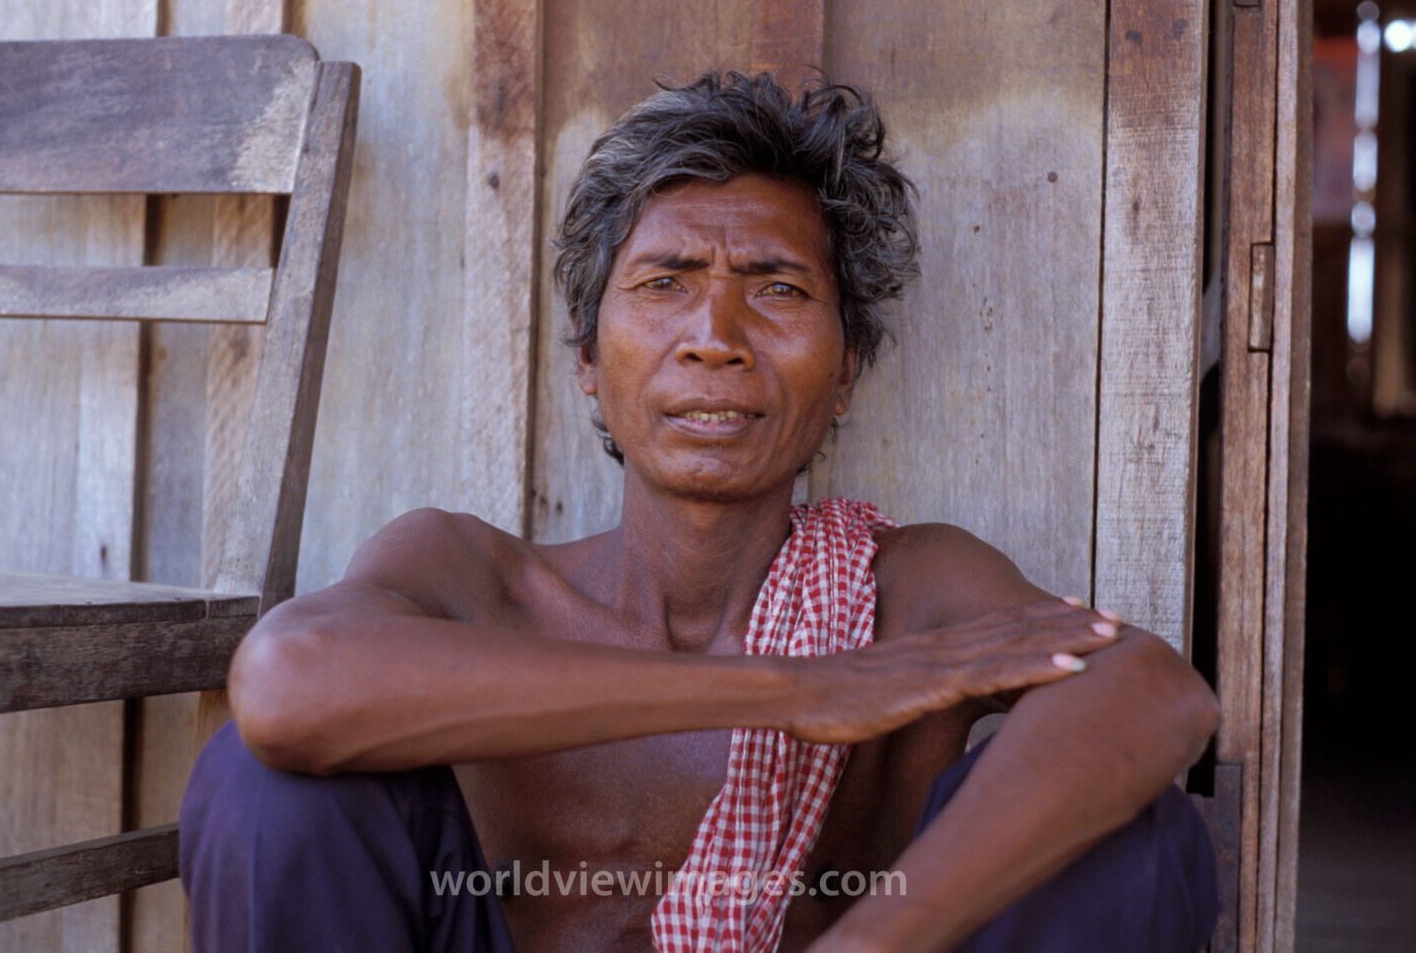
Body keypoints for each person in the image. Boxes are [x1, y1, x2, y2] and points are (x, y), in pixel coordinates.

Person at [180, 71, 1221, 953]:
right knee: (270, 784)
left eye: (776, 288)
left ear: (847, 368)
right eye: (665, 281)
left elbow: (1151, 691)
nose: (714, 335)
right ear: (589, 359)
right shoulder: (471, 576)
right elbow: (282, 684)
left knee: (1132, 830)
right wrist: (788, 690)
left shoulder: (907, 590)